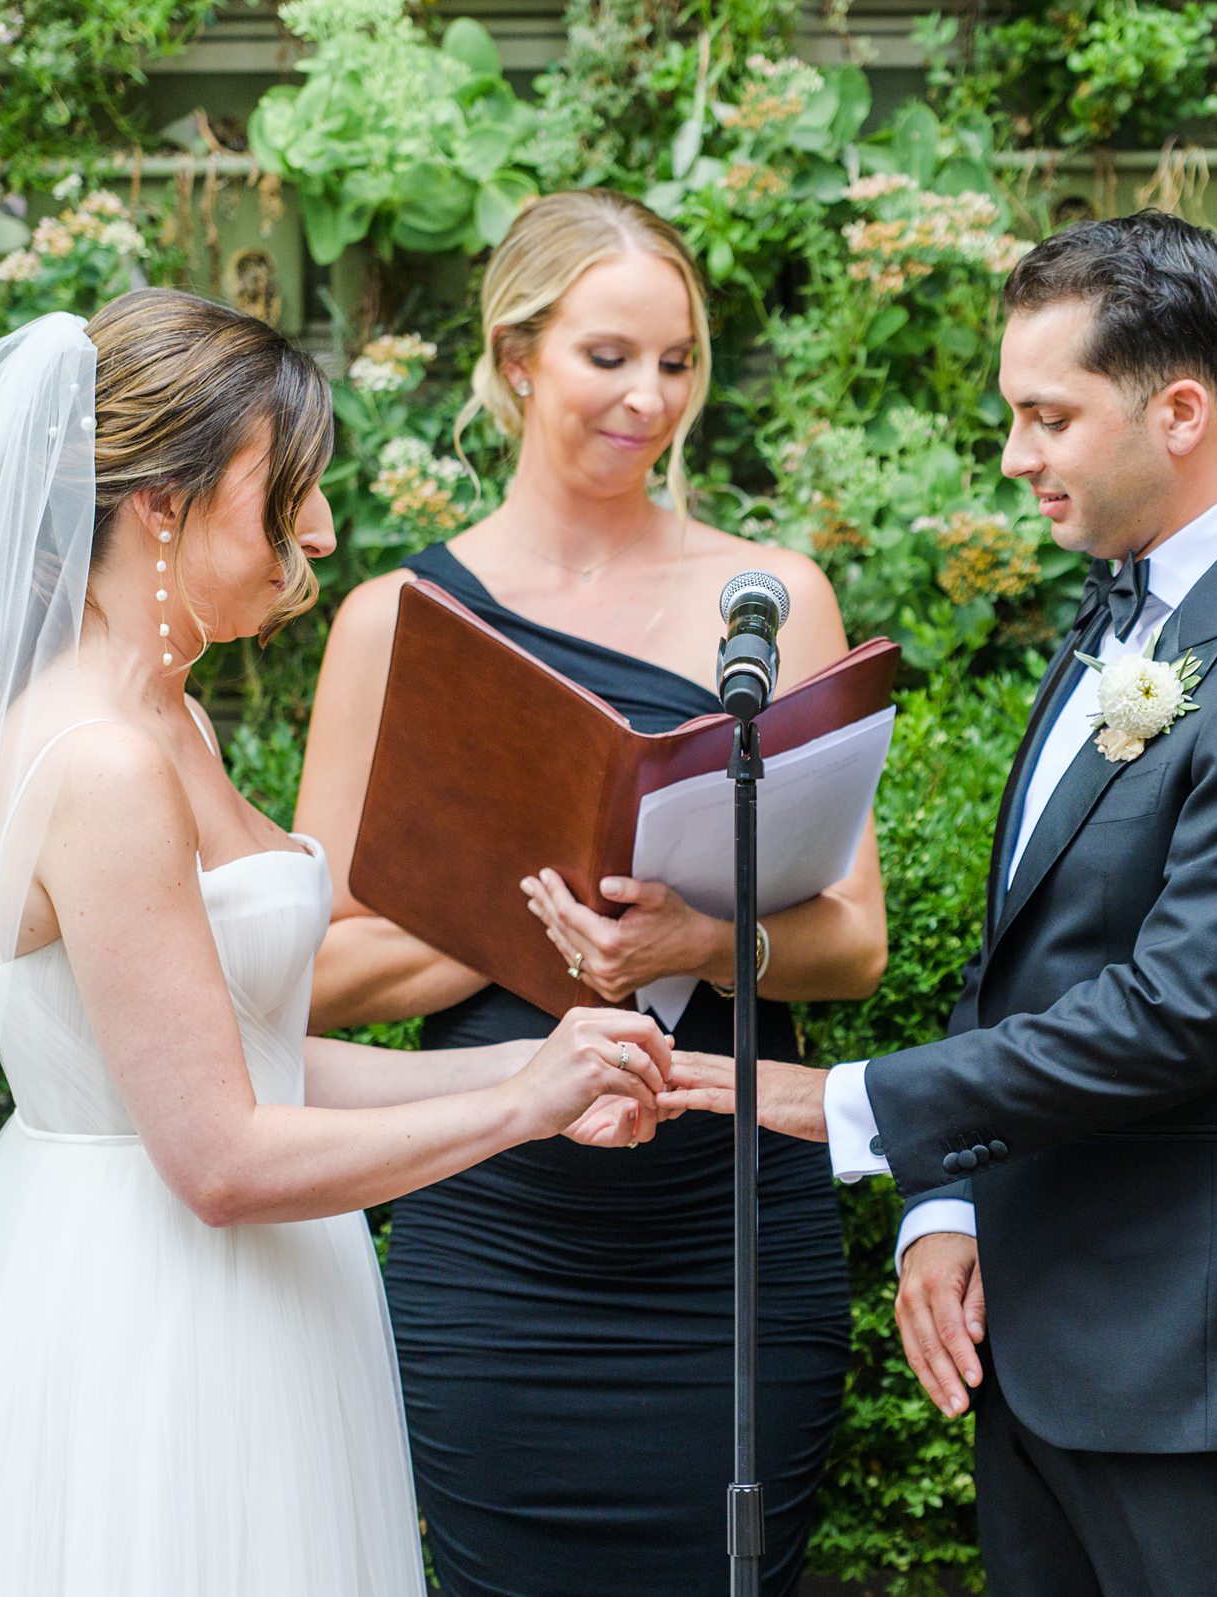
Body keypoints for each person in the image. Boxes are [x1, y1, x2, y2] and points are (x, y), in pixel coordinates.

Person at [0, 288, 677, 1597]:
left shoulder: (169, 723)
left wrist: (542, 1070)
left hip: (253, 1296)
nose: (317, 527)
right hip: (143, 1319)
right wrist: (519, 1107)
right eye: (286, 489)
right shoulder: (99, 763)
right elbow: (218, 1151)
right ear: (161, 503)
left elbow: (263, 1060)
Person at [665, 211, 1217, 1597]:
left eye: (1047, 416)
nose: (1016, 457)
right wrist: (944, 1205)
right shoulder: (1117, 616)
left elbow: (1174, 1015)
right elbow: (1026, 954)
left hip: (1207, 1373)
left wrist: (841, 1104)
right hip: (1039, 1343)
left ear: (1180, 411)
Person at [294, 189, 882, 1596]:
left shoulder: (774, 596)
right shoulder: (397, 622)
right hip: (493, 1222)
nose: (649, 398)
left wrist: (689, 935)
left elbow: (854, 942)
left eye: (676, 362)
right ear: (514, 358)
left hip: (732, 1223)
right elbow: (305, 976)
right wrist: (522, 929)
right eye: (608, 357)